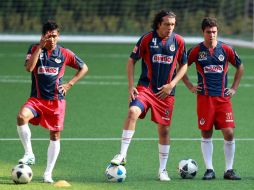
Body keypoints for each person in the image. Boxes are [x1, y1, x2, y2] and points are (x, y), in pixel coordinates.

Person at [110, 10, 187, 181]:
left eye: (173, 24)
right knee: (132, 112)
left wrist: (172, 84)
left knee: (164, 131)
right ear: (158, 24)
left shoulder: (179, 41)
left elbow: (184, 65)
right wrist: (131, 86)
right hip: (145, 88)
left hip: (166, 93)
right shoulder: (147, 39)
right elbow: (131, 60)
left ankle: (162, 170)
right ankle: (122, 154)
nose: (170, 28)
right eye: (167, 24)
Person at [16, 20, 88, 183]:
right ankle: (29, 153)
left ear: (58, 36)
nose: (52, 40)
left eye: (54, 36)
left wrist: (70, 84)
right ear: (43, 36)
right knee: (21, 117)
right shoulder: (34, 48)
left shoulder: (64, 53)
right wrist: (40, 47)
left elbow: (84, 67)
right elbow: (29, 68)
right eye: (49, 36)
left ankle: (48, 173)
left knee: (55, 135)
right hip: (36, 99)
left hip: (56, 101)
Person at [182, 17, 244, 180]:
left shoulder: (226, 49)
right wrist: (189, 85)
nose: (212, 35)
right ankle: (209, 169)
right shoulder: (196, 51)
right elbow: (180, 67)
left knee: (229, 132)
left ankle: (228, 170)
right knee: (206, 132)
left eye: (214, 32)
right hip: (204, 99)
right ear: (203, 32)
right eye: (208, 32)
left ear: (218, 32)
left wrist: (234, 88)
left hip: (223, 98)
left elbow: (240, 66)